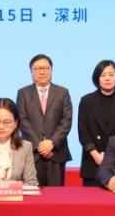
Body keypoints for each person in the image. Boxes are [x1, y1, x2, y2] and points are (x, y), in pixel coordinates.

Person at [15, 54, 72, 186]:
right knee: (33, 193)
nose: (41, 72)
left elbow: (66, 120)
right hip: (33, 153)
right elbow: (22, 120)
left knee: (56, 195)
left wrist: (51, 143)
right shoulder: (23, 93)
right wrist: (40, 145)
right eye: (37, 68)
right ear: (31, 71)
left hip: (56, 152)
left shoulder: (62, 92)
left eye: (45, 68)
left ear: (51, 70)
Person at [76, 59, 115, 187]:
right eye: (103, 75)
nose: (107, 78)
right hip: (92, 162)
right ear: (97, 78)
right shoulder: (86, 101)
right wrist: (96, 155)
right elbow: (83, 132)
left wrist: (112, 157)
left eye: (111, 74)